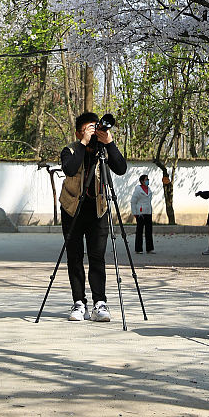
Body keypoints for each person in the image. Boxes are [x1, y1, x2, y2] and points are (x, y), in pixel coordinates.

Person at [60, 112, 128, 322]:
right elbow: (70, 168)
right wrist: (83, 143)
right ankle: (79, 303)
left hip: (97, 209)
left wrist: (110, 143)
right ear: (78, 132)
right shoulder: (70, 149)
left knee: (97, 257)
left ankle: (100, 303)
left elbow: (121, 169)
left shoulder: (103, 151)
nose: (93, 133)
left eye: (95, 128)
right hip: (72, 209)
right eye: (87, 129)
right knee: (75, 257)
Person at [131, 172, 155, 253]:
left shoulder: (149, 190)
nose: (148, 181)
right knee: (139, 231)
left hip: (148, 212)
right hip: (140, 213)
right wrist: (135, 213)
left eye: (148, 179)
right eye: (146, 179)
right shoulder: (138, 190)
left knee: (149, 231)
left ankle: (149, 248)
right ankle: (138, 249)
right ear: (142, 181)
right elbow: (133, 202)